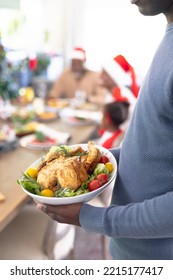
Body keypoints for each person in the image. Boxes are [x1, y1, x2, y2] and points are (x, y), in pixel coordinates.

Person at [37, 0, 173, 260]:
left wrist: (94, 218)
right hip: (129, 251)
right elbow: (153, 148)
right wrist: (94, 158)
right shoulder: (168, 39)